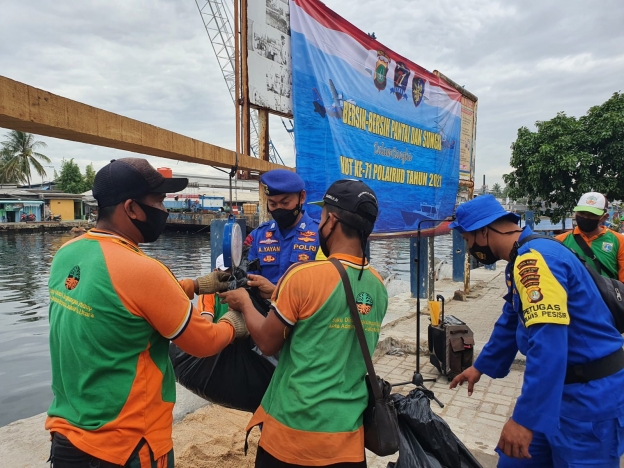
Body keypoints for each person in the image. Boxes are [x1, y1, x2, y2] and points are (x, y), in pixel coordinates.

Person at [45, 158, 248, 468]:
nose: (164, 210)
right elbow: (204, 342)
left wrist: (195, 285)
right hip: (128, 445)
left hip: (68, 437)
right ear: (131, 208)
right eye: (158, 201)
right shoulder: (145, 271)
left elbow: (122, 304)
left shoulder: (67, 253)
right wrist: (235, 322)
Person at [221, 179, 388, 467]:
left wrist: (244, 303)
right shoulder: (378, 286)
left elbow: (267, 341)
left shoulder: (303, 276)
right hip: (348, 437)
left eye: (322, 216)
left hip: (294, 434)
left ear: (331, 220)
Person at [448, 194, 624, 467]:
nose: (469, 247)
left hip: (589, 399)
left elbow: (549, 345)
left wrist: (524, 419)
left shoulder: (536, 261)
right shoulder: (522, 256)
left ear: (484, 231)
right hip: (554, 391)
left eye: (468, 239)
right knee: (513, 460)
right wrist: (480, 366)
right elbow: (511, 319)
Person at [244, 169, 320, 299]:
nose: (279, 209)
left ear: (302, 197)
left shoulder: (320, 234)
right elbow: (245, 277)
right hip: (263, 315)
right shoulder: (258, 236)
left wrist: (277, 292)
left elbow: (328, 287)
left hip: (306, 315)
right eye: (272, 204)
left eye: (285, 203)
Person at [555, 192, 624, 281]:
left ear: (604, 217)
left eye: (592, 214)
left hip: (605, 294)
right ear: (576, 213)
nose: (586, 217)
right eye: (582, 213)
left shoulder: (619, 241)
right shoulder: (560, 241)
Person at [198, 254, 230, 322]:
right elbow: (207, 326)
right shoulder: (208, 292)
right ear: (216, 271)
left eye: (232, 270)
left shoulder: (240, 290)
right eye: (226, 271)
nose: (230, 274)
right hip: (218, 331)